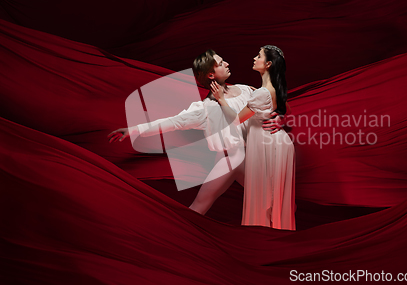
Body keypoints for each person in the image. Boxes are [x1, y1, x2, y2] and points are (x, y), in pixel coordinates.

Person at [108, 49, 285, 215]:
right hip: (231, 159)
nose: (227, 64)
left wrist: (279, 118)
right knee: (200, 206)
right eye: (221, 63)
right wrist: (134, 129)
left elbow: (273, 104)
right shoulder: (205, 109)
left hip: (253, 158)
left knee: (272, 202)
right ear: (211, 75)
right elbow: (172, 122)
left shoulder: (246, 90)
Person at [210, 45, 296, 230]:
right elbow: (287, 110)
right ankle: (274, 234)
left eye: (259, 56)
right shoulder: (271, 88)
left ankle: (266, 237)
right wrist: (280, 119)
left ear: (268, 64)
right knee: (272, 195)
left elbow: (236, 120)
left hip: (269, 144)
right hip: (275, 141)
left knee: (266, 196)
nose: (254, 58)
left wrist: (221, 100)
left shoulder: (261, 93)